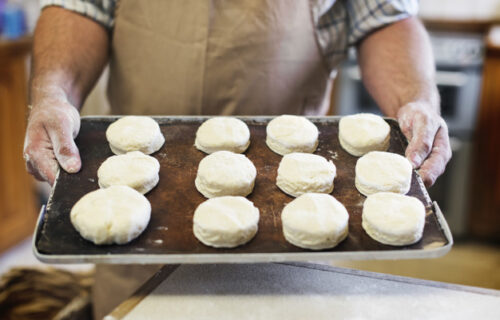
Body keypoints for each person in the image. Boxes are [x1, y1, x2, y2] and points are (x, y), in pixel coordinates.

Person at [24, 1, 452, 318]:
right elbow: (79, 7)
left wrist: (415, 99)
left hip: (294, 222)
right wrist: (53, 94)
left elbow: (385, 16)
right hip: (137, 251)